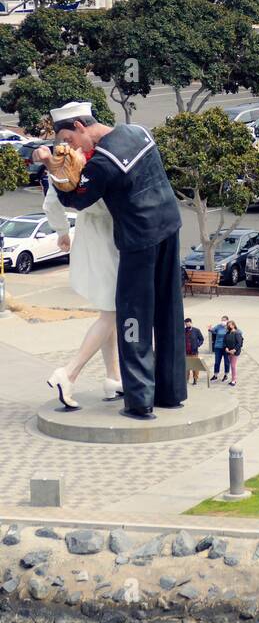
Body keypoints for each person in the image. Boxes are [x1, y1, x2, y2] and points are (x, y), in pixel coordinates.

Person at [36, 102, 186, 421]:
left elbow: (74, 198)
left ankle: (140, 400)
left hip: (139, 240)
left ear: (80, 126)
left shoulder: (103, 163)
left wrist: (51, 166)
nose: (70, 148)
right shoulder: (139, 132)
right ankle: (171, 392)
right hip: (170, 225)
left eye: (70, 141)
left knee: (132, 319)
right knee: (169, 310)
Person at [41, 142, 123, 411]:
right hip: (111, 238)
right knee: (110, 313)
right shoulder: (98, 162)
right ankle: (69, 373)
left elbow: (52, 202)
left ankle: (113, 377)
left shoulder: (61, 165)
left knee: (107, 310)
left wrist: (62, 231)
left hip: (88, 237)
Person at [184, 316, 205, 386]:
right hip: (185, 352)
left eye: (188, 323)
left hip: (194, 352)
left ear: (191, 323)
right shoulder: (183, 330)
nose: (187, 325)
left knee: (195, 366)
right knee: (186, 366)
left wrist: (197, 345)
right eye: (186, 324)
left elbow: (201, 339)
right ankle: (186, 379)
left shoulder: (196, 330)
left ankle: (195, 379)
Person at [210, 315, 230, 382]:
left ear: (227, 320)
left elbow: (239, 331)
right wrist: (211, 329)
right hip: (218, 347)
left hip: (226, 347)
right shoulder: (218, 326)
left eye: (224, 320)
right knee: (217, 362)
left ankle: (226, 375)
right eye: (222, 320)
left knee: (226, 362)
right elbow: (212, 330)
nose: (223, 321)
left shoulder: (229, 327)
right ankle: (215, 375)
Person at [223, 320, 243, 387]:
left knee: (233, 366)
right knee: (231, 365)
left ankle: (234, 380)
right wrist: (226, 347)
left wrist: (234, 350)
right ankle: (232, 379)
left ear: (233, 325)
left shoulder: (237, 333)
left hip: (234, 352)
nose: (229, 326)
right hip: (228, 352)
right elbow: (224, 341)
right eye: (228, 325)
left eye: (230, 325)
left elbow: (239, 343)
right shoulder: (227, 333)